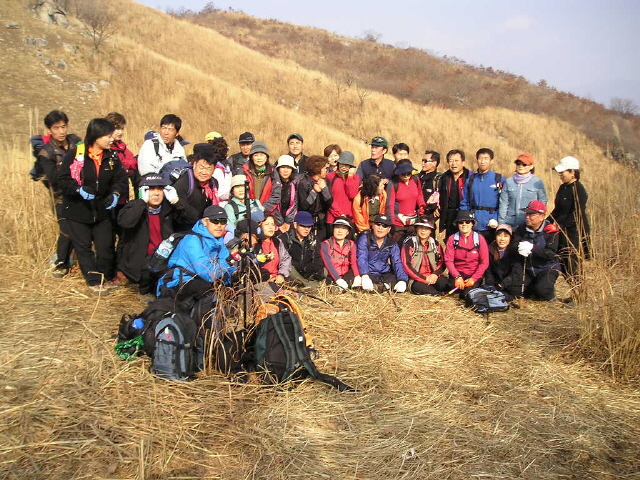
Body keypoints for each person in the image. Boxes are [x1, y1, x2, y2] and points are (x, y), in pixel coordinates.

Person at [56, 118, 127, 294]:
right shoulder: (76, 154)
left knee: (105, 247)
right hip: (77, 210)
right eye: (108, 136)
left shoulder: (112, 157)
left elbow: (120, 179)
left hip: (102, 210)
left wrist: (115, 194)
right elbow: (62, 179)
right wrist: (78, 189)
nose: (112, 139)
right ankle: (94, 281)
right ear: (96, 136)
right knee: (84, 248)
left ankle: (107, 277)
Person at [116, 174, 190, 297]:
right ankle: (144, 291)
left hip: (165, 255)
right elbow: (125, 222)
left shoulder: (168, 208)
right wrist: (141, 202)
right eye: (151, 189)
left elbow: (191, 219)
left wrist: (177, 202)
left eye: (160, 189)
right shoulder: (134, 207)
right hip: (141, 259)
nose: (156, 193)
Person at [32, 110, 82, 277]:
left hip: (81, 194)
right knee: (66, 230)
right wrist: (72, 171)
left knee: (82, 228)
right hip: (61, 197)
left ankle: (78, 261)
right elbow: (54, 177)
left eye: (63, 126)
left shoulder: (76, 142)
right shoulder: (46, 152)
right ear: (49, 130)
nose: (61, 131)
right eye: (56, 128)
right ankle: (62, 263)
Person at [156, 205, 236, 302]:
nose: (219, 225)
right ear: (205, 221)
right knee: (205, 288)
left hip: (200, 279)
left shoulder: (219, 240)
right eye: (215, 221)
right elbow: (207, 273)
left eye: (223, 221)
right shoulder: (192, 240)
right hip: (179, 282)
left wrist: (234, 274)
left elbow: (224, 263)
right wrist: (229, 261)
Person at [550, 156, 591, 283]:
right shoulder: (563, 188)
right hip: (561, 231)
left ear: (572, 172)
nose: (560, 175)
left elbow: (577, 214)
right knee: (563, 264)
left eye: (562, 172)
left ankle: (579, 291)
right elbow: (557, 209)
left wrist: (559, 225)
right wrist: (547, 221)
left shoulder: (579, 189)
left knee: (573, 266)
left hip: (574, 233)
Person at [514, 200, 560, 301]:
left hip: (547, 268)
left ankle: (545, 289)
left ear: (542, 216)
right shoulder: (521, 229)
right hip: (528, 269)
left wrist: (533, 248)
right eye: (526, 214)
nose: (527, 217)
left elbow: (550, 254)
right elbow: (514, 244)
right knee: (516, 291)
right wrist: (519, 247)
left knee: (542, 291)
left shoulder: (550, 231)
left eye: (531, 214)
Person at [460, 148, 505, 244]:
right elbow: (464, 202)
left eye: (486, 158)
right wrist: (467, 219)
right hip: (474, 225)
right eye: (480, 158)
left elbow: (504, 203)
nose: (483, 161)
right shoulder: (470, 180)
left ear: (491, 161)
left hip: (492, 225)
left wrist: (496, 218)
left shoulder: (499, 179)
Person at [172, 145, 220, 231]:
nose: (204, 172)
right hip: (182, 228)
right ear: (194, 165)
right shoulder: (184, 183)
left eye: (208, 169)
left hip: (203, 228)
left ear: (213, 170)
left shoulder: (213, 184)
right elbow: (179, 211)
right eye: (201, 167)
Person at [357, 214, 408, 292]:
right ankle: (381, 287)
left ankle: (380, 287)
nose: (380, 228)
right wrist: (364, 275)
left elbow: (397, 262)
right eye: (378, 224)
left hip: (384, 274)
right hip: (369, 273)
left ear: (389, 229)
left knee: (395, 281)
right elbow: (362, 257)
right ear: (373, 226)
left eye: (384, 226)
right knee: (356, 280)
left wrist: (402, 280)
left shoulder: (391, 243)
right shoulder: (365, 238)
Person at [443, 210, 490, 295]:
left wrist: (474, 279)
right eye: (461, 222)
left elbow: (484, 262)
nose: (464, 224)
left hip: (473, 275)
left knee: (468, 294)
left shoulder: (479, 239)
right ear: (457, 224)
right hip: (457, 274)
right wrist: (457, 276)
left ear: (472, 224)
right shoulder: (452, 239)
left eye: (467, 222)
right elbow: (448, 260)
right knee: (446, 287)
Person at [401, 216, 447, 295]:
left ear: (431, 230)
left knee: (444, 284)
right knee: (423, 289)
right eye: (421, 228)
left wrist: (435, 274)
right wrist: (424, 279)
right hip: (416, 279)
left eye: (427, 228)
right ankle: (437, 294)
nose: (423, 231)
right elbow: (406, 265)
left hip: (433, 276)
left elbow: (442, 262)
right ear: (416, 228)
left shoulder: (435, 244)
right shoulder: (409, 244)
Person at [498, 153, 547, 228]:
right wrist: (502, 223)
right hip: (510, 224)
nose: (520, 166)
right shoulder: (509, 182)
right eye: (518, 163)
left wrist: (538, 223)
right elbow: (503, 203)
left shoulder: (537, 182)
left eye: (524, 164)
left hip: (529, 224)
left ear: (531, 166)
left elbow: (542, 203)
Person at [279, 211, 324, 286]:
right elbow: (284, 261)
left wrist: (315, 269)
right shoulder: (285, 238)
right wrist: (302, 267)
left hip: (308, 271)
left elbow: (317, 258)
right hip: (293, 272)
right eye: (303, 226)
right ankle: (307, 285)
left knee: (324, 270)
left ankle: (308, 285)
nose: (306, 229)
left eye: (309, 227)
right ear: (295, 225)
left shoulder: (313, 239)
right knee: (290, 269)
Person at [386, 162, 426, 242]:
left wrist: (422, 205)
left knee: (412, 245)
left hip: (413, 222)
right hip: (398, 224)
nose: (406, 176)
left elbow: (419, 195)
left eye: (409, 173)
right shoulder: (393, 184)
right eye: (403, 174)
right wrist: (391, 223)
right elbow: (390, 205)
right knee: (397, 245)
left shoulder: (415, 179)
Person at [482, 224, 523, 301]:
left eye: (505, 236)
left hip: (510, 285)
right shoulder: (491, 250)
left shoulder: (515, 252)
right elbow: (488, 270)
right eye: (499, 235)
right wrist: (490, 283)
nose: (502, 239)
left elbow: (516, 273)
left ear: (510, 238)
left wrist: (502, 284)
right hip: (497, 283)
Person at [297, 155, 333, 241]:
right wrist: (314, 192)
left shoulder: (326, 181)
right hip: (307, 220)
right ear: (317, 169)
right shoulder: (304, 183)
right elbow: (304, 206)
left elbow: (329, 202)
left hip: (321, 221)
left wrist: (324, 189)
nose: (326, 170)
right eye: (324, 168)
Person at [320, 217, 361, 290]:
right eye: (337, 227)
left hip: (346, 275)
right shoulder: (326, 244)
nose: (340, 231)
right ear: (333, 229)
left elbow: (353, 262)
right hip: (331, 276)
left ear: (347, 232)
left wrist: (357, 276)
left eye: (344, 228)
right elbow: (328, 264)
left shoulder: (351, 244)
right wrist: (337, 279)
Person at [438, 149, 471, 238]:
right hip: (450, 216)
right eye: (451, 161)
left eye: (456, 161)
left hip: (465, 215)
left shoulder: (470, 177)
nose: (453, 164)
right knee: (450, 240)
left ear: (463, 162)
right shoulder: (444, 177)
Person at [241, 141, 281, 215]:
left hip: (267, 211)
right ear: (251, 157)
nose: (259, 158)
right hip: (247, 211)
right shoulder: (244, 171)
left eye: (262, 155)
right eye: (256, 155)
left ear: (266, 157)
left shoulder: (272, 172)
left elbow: (276, 195)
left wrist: (263, 208)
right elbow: (239, 192)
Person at [252, 215, 292, 286]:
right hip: (262, 281)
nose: (271, 227)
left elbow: (286, 259)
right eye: (267, 224)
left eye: (273, 224)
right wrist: (267, 277)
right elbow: (252, 265)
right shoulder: (255, 243)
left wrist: (281, 274)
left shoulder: (277, 242)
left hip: (278, 279)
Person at [326, 151, 360, 226]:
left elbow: (352, 195)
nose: (344, 167)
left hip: (349, 218)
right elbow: (328, 198)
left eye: (347, 165)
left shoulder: (355, 178)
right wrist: (339, 214)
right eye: (342, 164)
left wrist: (350, 177)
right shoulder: (330, 177)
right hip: (332, 218)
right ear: (338, 163)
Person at [273, 155, 299, 233]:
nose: (285, 171)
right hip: (275, 221)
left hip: (291, 220)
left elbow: (295, 203)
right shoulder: (272, 183)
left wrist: (288, 222)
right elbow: (272, 204)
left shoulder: (295, 183)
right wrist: (280, 223)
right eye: (283, 167)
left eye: (288, 168)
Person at [207, 136, 233, 206]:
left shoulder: (226, 166)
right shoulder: (217, 170)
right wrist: (233, 194)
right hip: (221, 205)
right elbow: (219, 193)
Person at [418, 150, 441, 216]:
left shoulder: (438, 179)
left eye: (425, 161)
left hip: (429, 215)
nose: (423, 163)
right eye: (422, 161)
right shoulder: (417, 177)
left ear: (434, 163)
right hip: (415, 213)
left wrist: (438, 209)